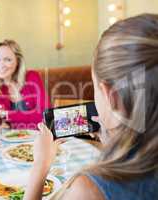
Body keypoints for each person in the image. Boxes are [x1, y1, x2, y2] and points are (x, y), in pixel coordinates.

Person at [24, 14, 158, 200]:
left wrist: (40, 164)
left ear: (111, 96)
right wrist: (113, 145)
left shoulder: (89, 190)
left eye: (93, 85)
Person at [0, 39, 50, 130]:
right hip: (13, 140)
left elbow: (45, 115)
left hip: (39, 138)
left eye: (7, 60)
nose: (1, 65)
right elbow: (2, 124)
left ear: (18, 61)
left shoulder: (32, 77)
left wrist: (7, 115)